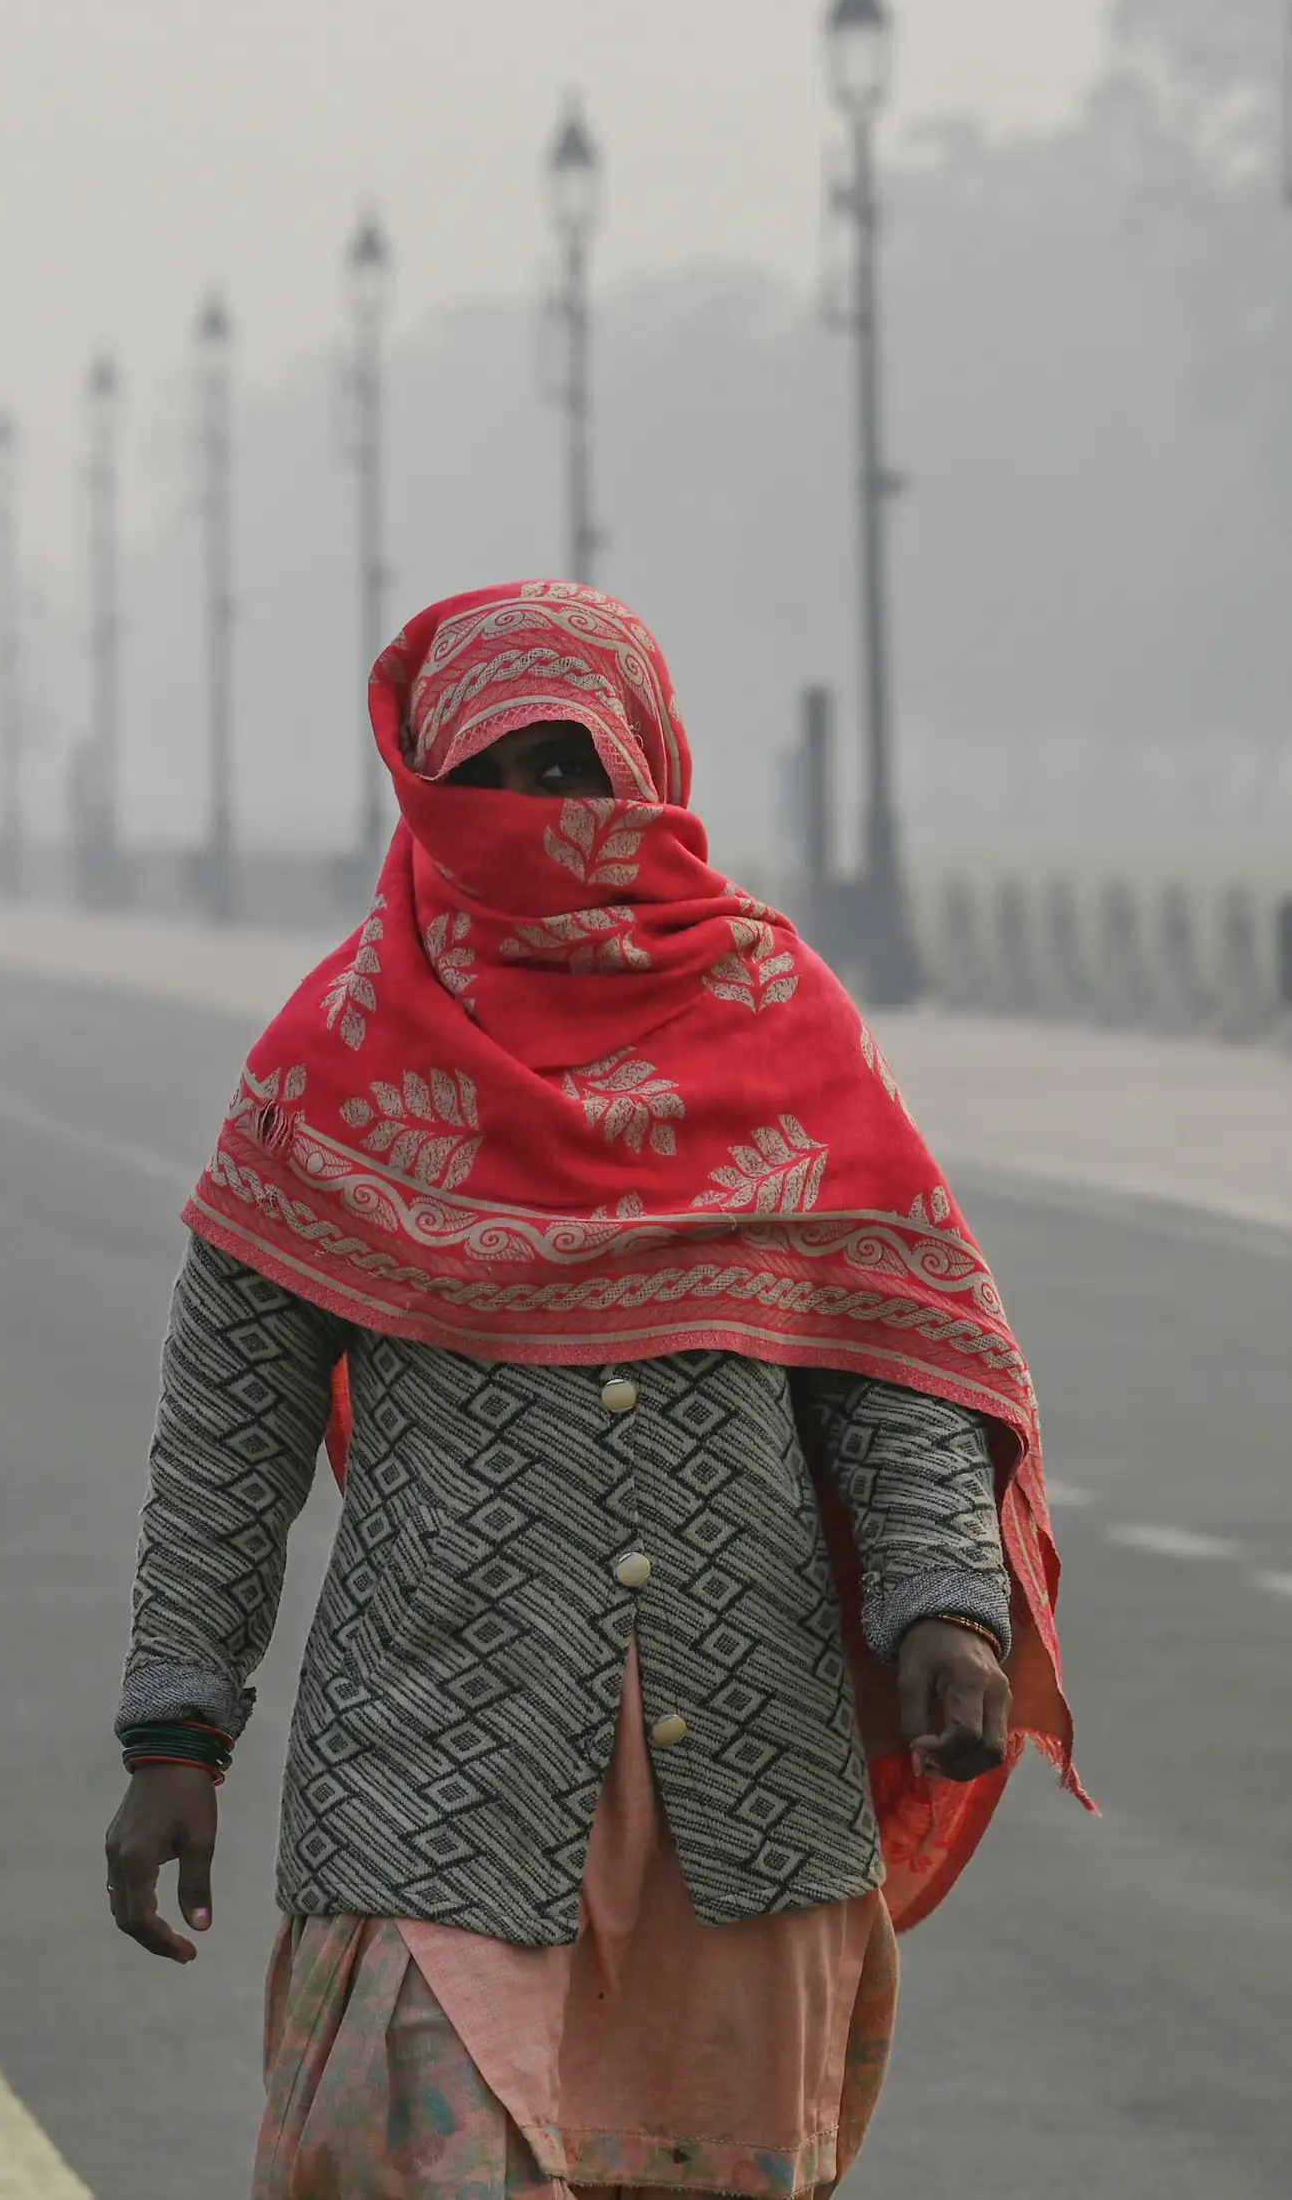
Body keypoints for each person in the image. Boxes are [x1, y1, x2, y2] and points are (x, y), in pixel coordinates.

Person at [104, 581, 1078, 2198]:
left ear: (649, 773)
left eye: (577, 770)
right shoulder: (333, 1066)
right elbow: (227, 1435)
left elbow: (893, 1361)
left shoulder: (782, 1025)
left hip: (749, 1787)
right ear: (430, 789)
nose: (544, 817)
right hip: (428, 1779)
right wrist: (173, 1734)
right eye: (501, 775)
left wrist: (943, 1605)